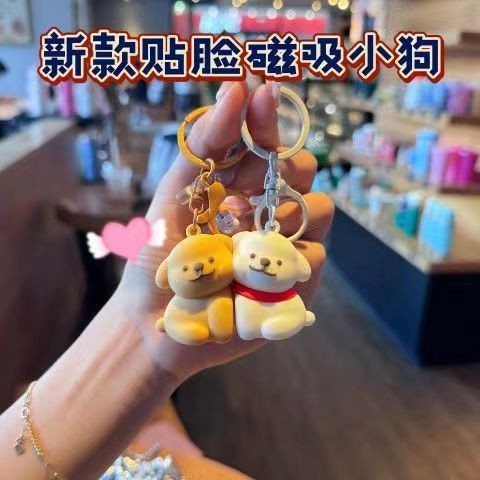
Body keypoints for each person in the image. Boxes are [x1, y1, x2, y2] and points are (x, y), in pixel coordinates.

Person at [0, 80, 334, 479]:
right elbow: (165, 277)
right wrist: (140, 328)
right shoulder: (182, 266)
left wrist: (137, 336)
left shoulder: (229, 253)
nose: (201, 270)